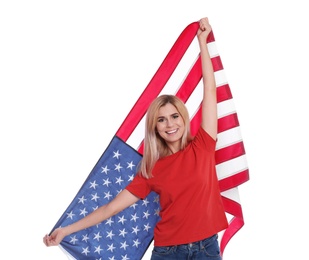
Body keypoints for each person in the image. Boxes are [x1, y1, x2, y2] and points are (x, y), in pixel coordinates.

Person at [43, 17, 228, 260]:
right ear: (155, 128)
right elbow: (110, 208)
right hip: (169, 252)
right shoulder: (152, 170)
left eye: (174, 116)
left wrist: (203, 43)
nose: (170, 124)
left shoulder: (203, 146)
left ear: (184, 119)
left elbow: (210, 90)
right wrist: (65, 231)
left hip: (207, 248)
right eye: (161, 120)